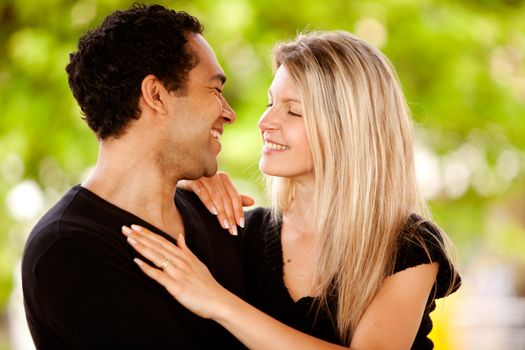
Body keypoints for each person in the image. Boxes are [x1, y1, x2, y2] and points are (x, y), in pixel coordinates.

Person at [122, 31, 462, 349]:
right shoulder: (238, 230)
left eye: (293, 111)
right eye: (271, 103)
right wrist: (180, 179)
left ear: (347, 130)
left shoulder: (408, 247)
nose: (264, 121)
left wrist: (217, 302)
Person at [21, 4, 248, 349]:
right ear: (155, 95)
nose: (228, 114)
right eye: (214, 90)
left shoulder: (216, 216)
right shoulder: (67, 253)